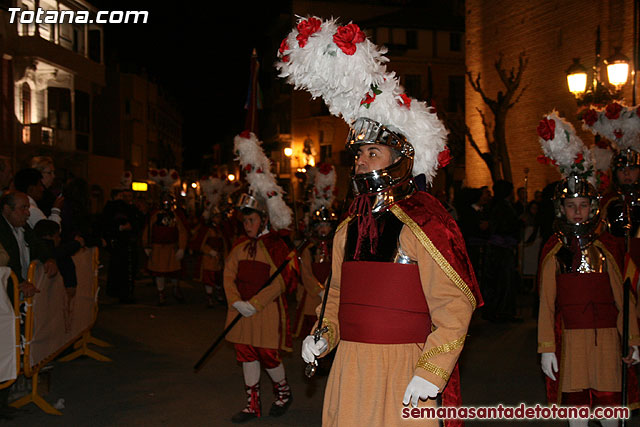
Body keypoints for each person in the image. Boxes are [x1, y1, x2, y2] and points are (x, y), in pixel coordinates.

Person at [278, 17, 481, 426]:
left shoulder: (422, 225)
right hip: (351, 368)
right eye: (359, 154)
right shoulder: (346, 230)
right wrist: (323, 335)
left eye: (373, 153)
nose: (362, 162)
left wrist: (431, 372)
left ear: (400, 160)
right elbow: (333, 300)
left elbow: (454, 306)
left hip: (404, 369)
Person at [536, 112, 640, 426]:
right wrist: (546, 347)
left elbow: (625, 299)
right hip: (571, 338)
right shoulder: (555, 248)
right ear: (562, 209)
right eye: (571, 205)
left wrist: (632, 338)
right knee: (577, 414)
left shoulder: (608, 246)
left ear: (593, 208)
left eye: (583, 205)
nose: (578, 212)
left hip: (609, 339)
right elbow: (546, 304)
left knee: (610, 411)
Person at [142, 194, 187, 306]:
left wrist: (181, 248)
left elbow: (182, 232)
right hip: (158, 248)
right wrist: (146, 246)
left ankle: (176, 289)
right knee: (159, 272)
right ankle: (161, 293)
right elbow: (148, 231)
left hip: (172, 248)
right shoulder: (155, 215)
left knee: (174, 272)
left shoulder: (176, 216)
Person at [101, 188, 143, 303]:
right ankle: (122, 293)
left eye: (129, 196)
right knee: (121, 270)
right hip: (120, 244)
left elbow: (137, 222)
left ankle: (125, 293)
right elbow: (107, 224)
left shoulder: (130, 209)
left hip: (128, 243)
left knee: (128, 270)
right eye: (124, 196)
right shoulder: (113, 208)